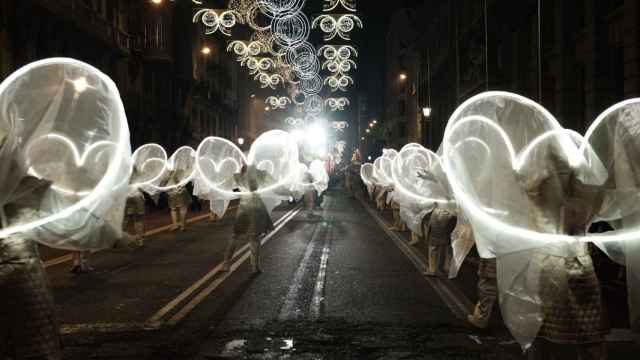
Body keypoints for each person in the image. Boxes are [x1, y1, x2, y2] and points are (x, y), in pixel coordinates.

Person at [223, 165, 274, 274]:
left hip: (245, 208)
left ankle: (227, 263)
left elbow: (224, 186)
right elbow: (275, 185)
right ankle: (254, 266)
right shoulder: (261, 174)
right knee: (253, 238)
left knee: (237, 236)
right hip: (255, 207)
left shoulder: (239, 176)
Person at [423, 204, 456, 277]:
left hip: (438, 214)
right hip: (453, 215)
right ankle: (447, 267)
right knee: (450, 244)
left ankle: (432, 269)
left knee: (433, 245)